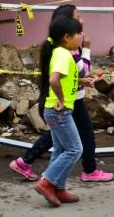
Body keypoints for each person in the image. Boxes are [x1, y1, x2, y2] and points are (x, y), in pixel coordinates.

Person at [9, 5, 113, 183]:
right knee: (78, 140)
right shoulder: (66, 50)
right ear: (66, 30)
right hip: (67, 100)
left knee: (59, 137)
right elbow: (80, 70)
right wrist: (86, 49)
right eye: (77, 17)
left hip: (68, 98)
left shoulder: (60, 46)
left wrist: (81, 82)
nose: (82, 21)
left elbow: (70, 75)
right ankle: (85, 171)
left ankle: (32, 167)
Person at [34, 16, 85, 207]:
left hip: (54, 111)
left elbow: (64, 78)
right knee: (74, 149)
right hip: (59, 111)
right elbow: (54, 80)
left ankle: (58, 188)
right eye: (79, 33)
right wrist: (62, 100)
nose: (82, 36)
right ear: (66, 37)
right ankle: (47, 183)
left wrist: (82, 81)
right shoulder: (63, 54)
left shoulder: (60, 53)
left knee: (61, 149)